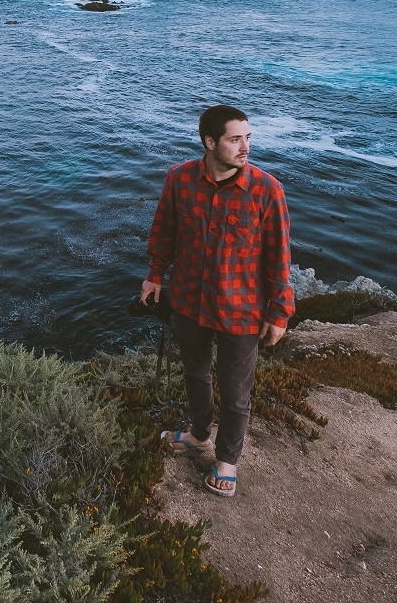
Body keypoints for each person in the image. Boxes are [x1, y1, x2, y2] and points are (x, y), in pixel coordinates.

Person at [140, 104, 294, 498]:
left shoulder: (267, 189)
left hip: (242, 309)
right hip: (190, 301)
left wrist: (280, 311)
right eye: (235, 139)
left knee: (236, 390)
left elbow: (279, 257)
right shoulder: (179, 179)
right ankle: (198, 434)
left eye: (248, 138)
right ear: (210, 142)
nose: (245, 147)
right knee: (195, 374)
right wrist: (156, 275)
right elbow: (164, 231)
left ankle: (226, 461)